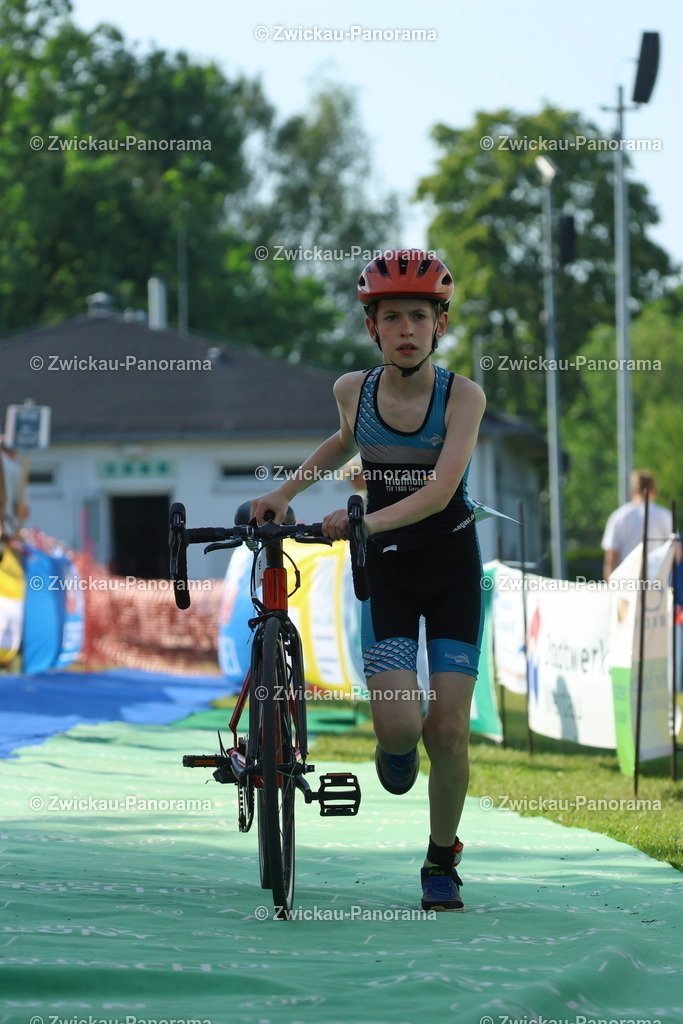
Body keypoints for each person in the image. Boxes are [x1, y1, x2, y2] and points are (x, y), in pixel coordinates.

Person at [250, 249, 486, 912]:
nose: (406, 328)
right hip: (385, 573)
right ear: (371, 329)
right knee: (396, 731)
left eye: (419, 315)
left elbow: (441, 492)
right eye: (392, 317)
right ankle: (398, 749)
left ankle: (441, 859)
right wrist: (285, 493)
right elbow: (343, 442)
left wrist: (359, 523)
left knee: (448, 729)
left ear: (439, 325)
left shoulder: (462, 396)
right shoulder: (353, 390)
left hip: (450, 572)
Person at [602, 469, 673, 578]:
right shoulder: (665, 515)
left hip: (626, 582)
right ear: (655, 491)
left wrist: (610, 586)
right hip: (658, 582)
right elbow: (674, 552)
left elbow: (611, 557)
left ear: (632, 491)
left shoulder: (619, 516)